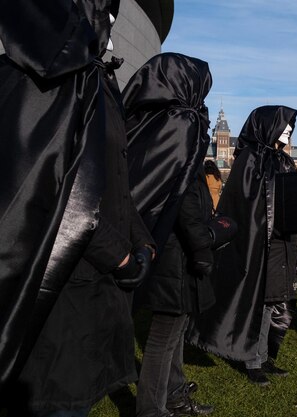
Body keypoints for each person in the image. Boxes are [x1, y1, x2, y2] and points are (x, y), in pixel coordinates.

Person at [1, 1, 156, 415]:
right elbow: (52, 187)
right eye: (105, 13)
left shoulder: (100, 82)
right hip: (58, 284)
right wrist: (119, 255)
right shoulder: (34, 76)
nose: (110, 25)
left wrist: (141, 239)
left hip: (92, 286)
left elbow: (112, 179)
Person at [124, 53, 215, 417]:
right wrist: (202, 246)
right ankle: (151, 408)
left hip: (164, 247)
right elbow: (185, 197)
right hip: (175, 252)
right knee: (164, 336)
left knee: (173, 331)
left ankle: (174, 395)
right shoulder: (182, 125)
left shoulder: (153, 123)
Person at [186, 105, 297, 387]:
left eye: (291, 126)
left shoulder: (283, 160)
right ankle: (253, 360)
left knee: (275, 299)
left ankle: (263, 356)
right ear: (267, 126)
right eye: (283, 124)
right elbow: (244, 206)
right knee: (260, 300)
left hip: (281, 243)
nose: (288, 130)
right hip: (258, 243)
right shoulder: (250, 159)